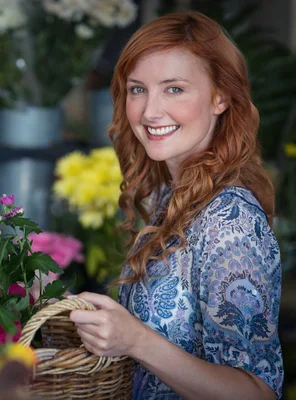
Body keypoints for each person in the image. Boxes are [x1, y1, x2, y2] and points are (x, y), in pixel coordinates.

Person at [69, 11, 283, 399]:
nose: (150, 112)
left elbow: (257, 393)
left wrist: (137, 341)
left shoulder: (230, 221)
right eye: (137, 89)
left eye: (174, 89)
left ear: (220, 97)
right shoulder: (174, 196)